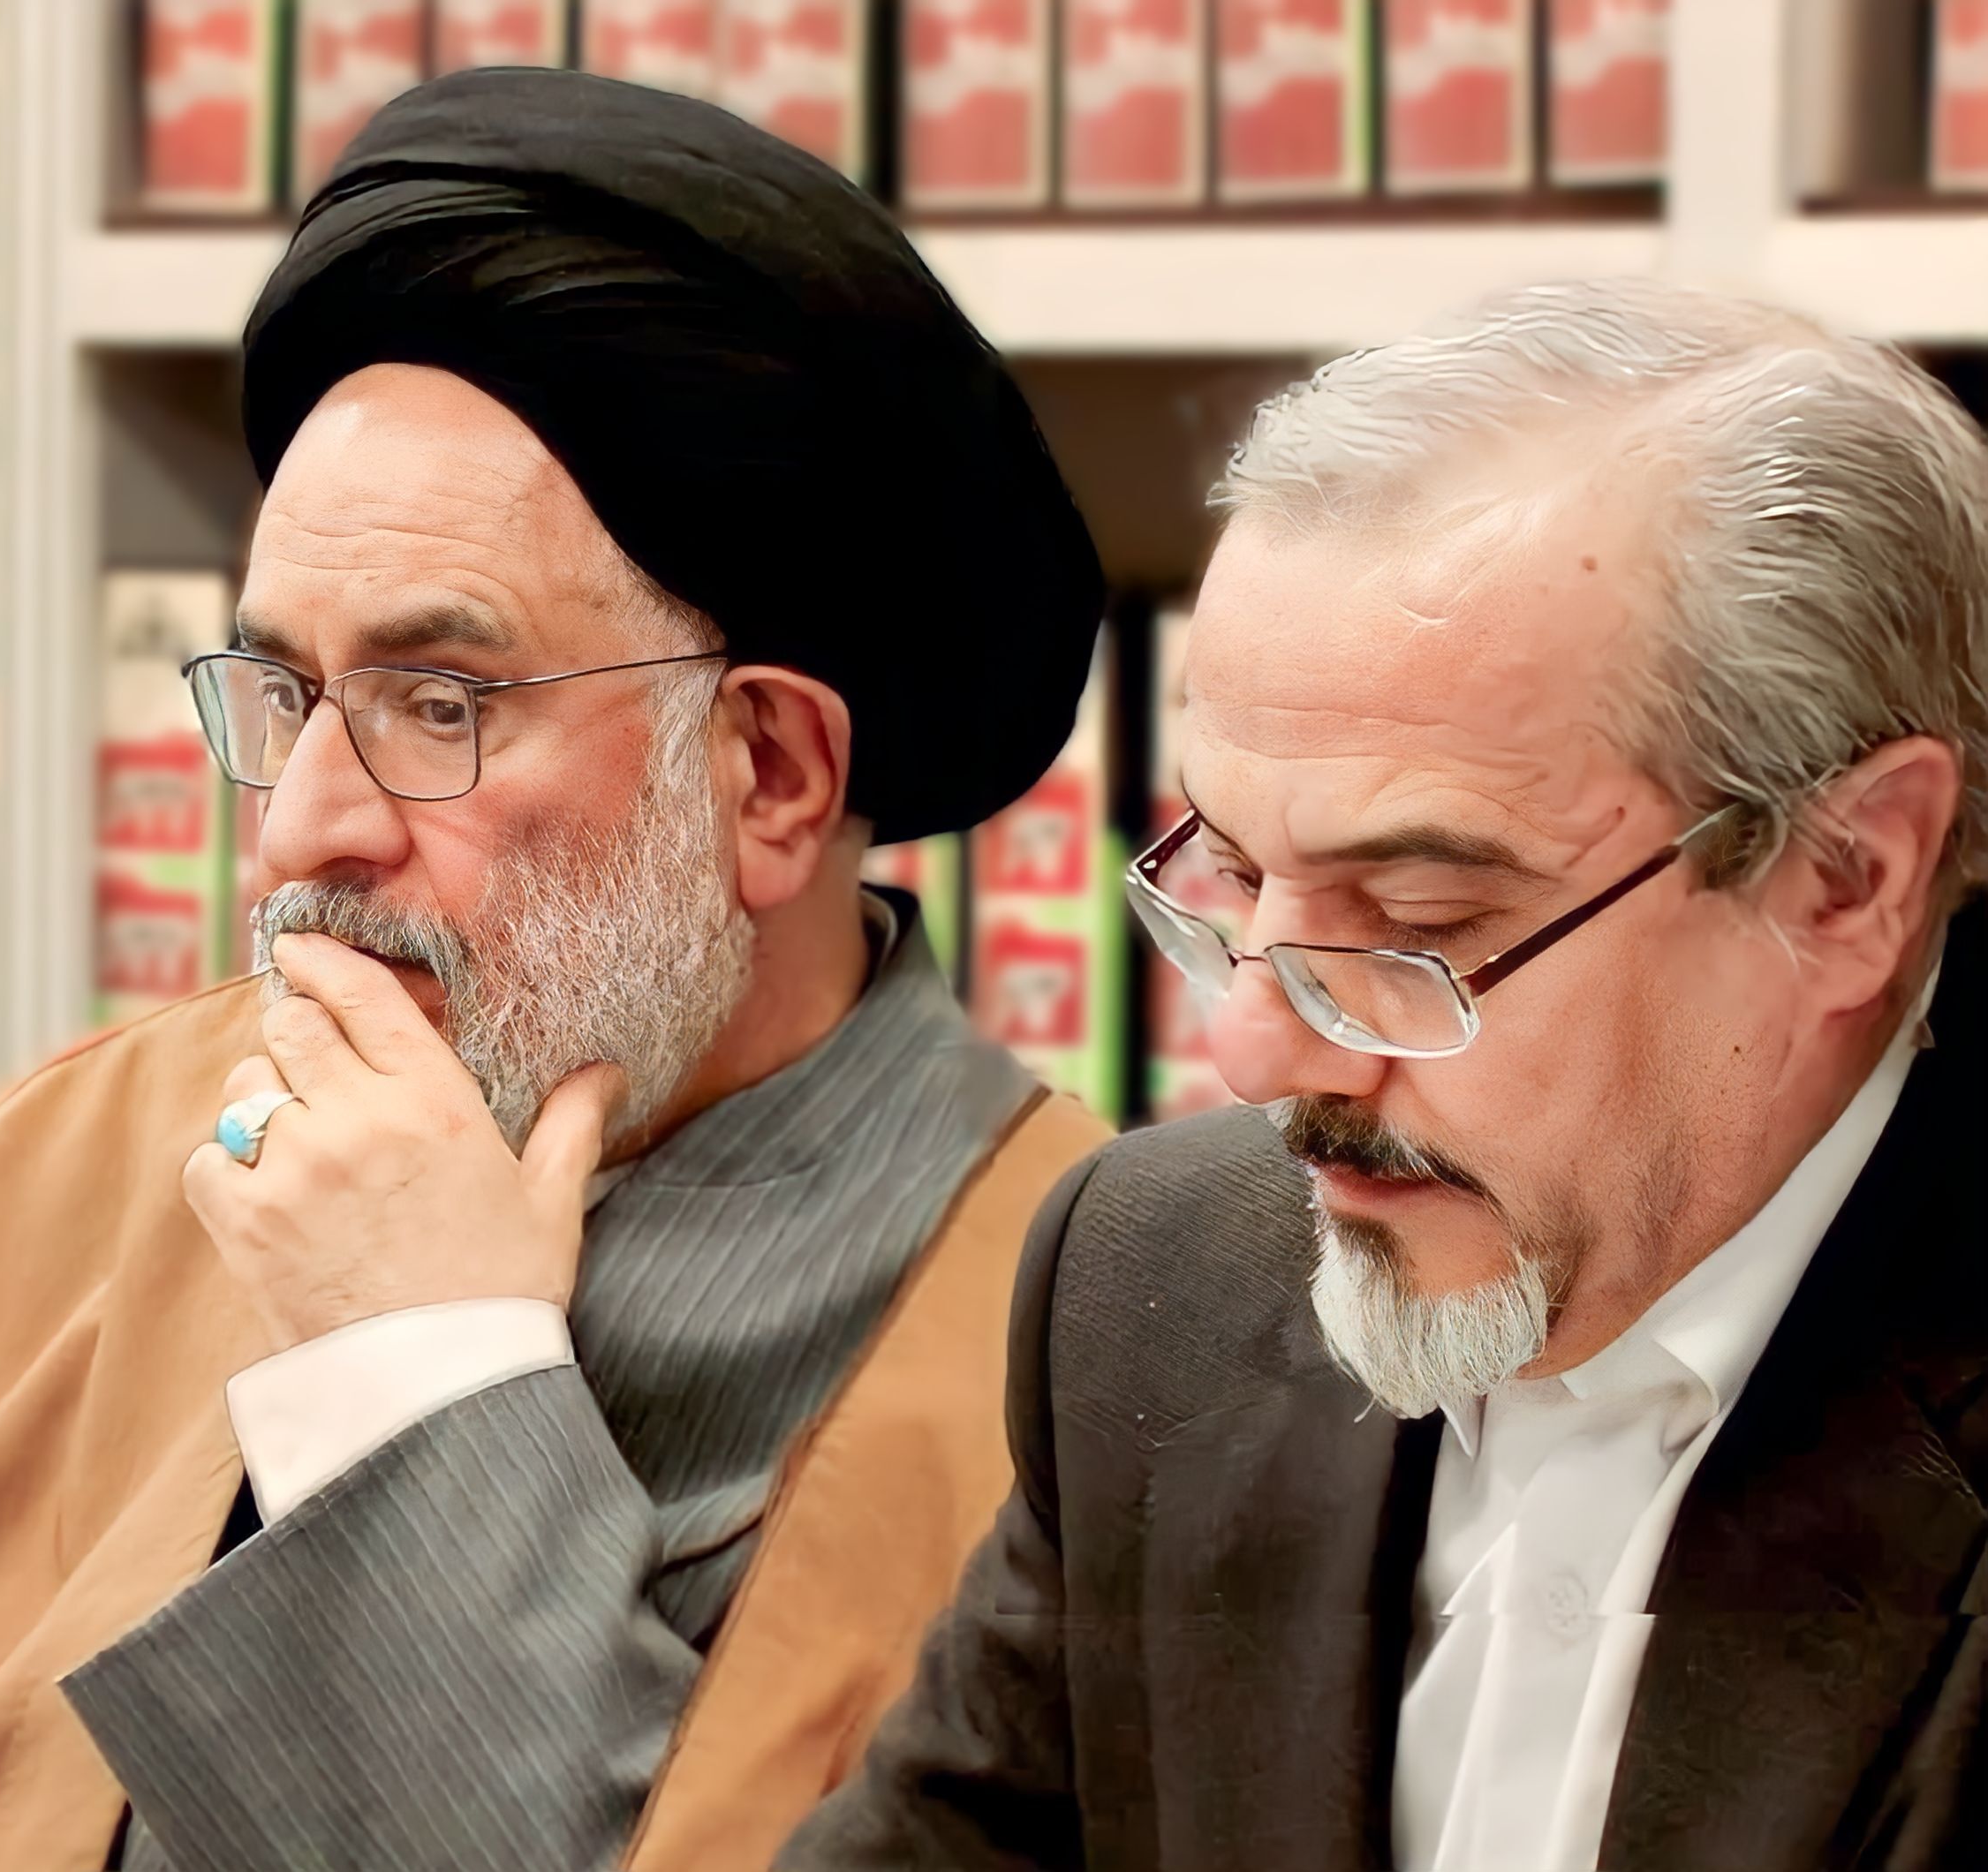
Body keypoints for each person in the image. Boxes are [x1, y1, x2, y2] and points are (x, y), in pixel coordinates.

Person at [0, 69, 1112, 1872]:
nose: (303, 828)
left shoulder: (1093, 1374)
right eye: (285, 692)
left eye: (439, 703)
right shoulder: (58, 1165)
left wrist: (421, 1385)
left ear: (768, 773)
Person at [785, 280, 1988, 1872]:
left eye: (1421, 921)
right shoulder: (1154, 1289)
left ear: (1848, 877)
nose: (1250, 1050)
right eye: (1230, 873)